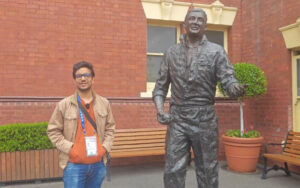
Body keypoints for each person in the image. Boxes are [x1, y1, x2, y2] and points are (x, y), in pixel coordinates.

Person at [153, 9, 245, 188]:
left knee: (207, 169)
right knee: (173, 168)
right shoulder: (171, 52)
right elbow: (160, 87)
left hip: (205, 118)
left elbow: (227, 78)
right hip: (177, 118)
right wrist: (159, 110)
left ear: (205, 26)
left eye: (200, 20)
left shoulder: (216, 51)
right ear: (185, 23)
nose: (195, 22)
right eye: (192, 19)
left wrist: (235, 88)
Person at [47, 61, 115, 188]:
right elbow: (53, 131)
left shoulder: (104, 103)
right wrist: (70, 148)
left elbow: (110, 128)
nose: (83, 78)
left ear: (93, 79)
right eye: (79, 76)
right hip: (74, 166)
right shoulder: (64, 105)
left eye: (87, 75)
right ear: (74, 80)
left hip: (98, 164)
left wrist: (104, 148)